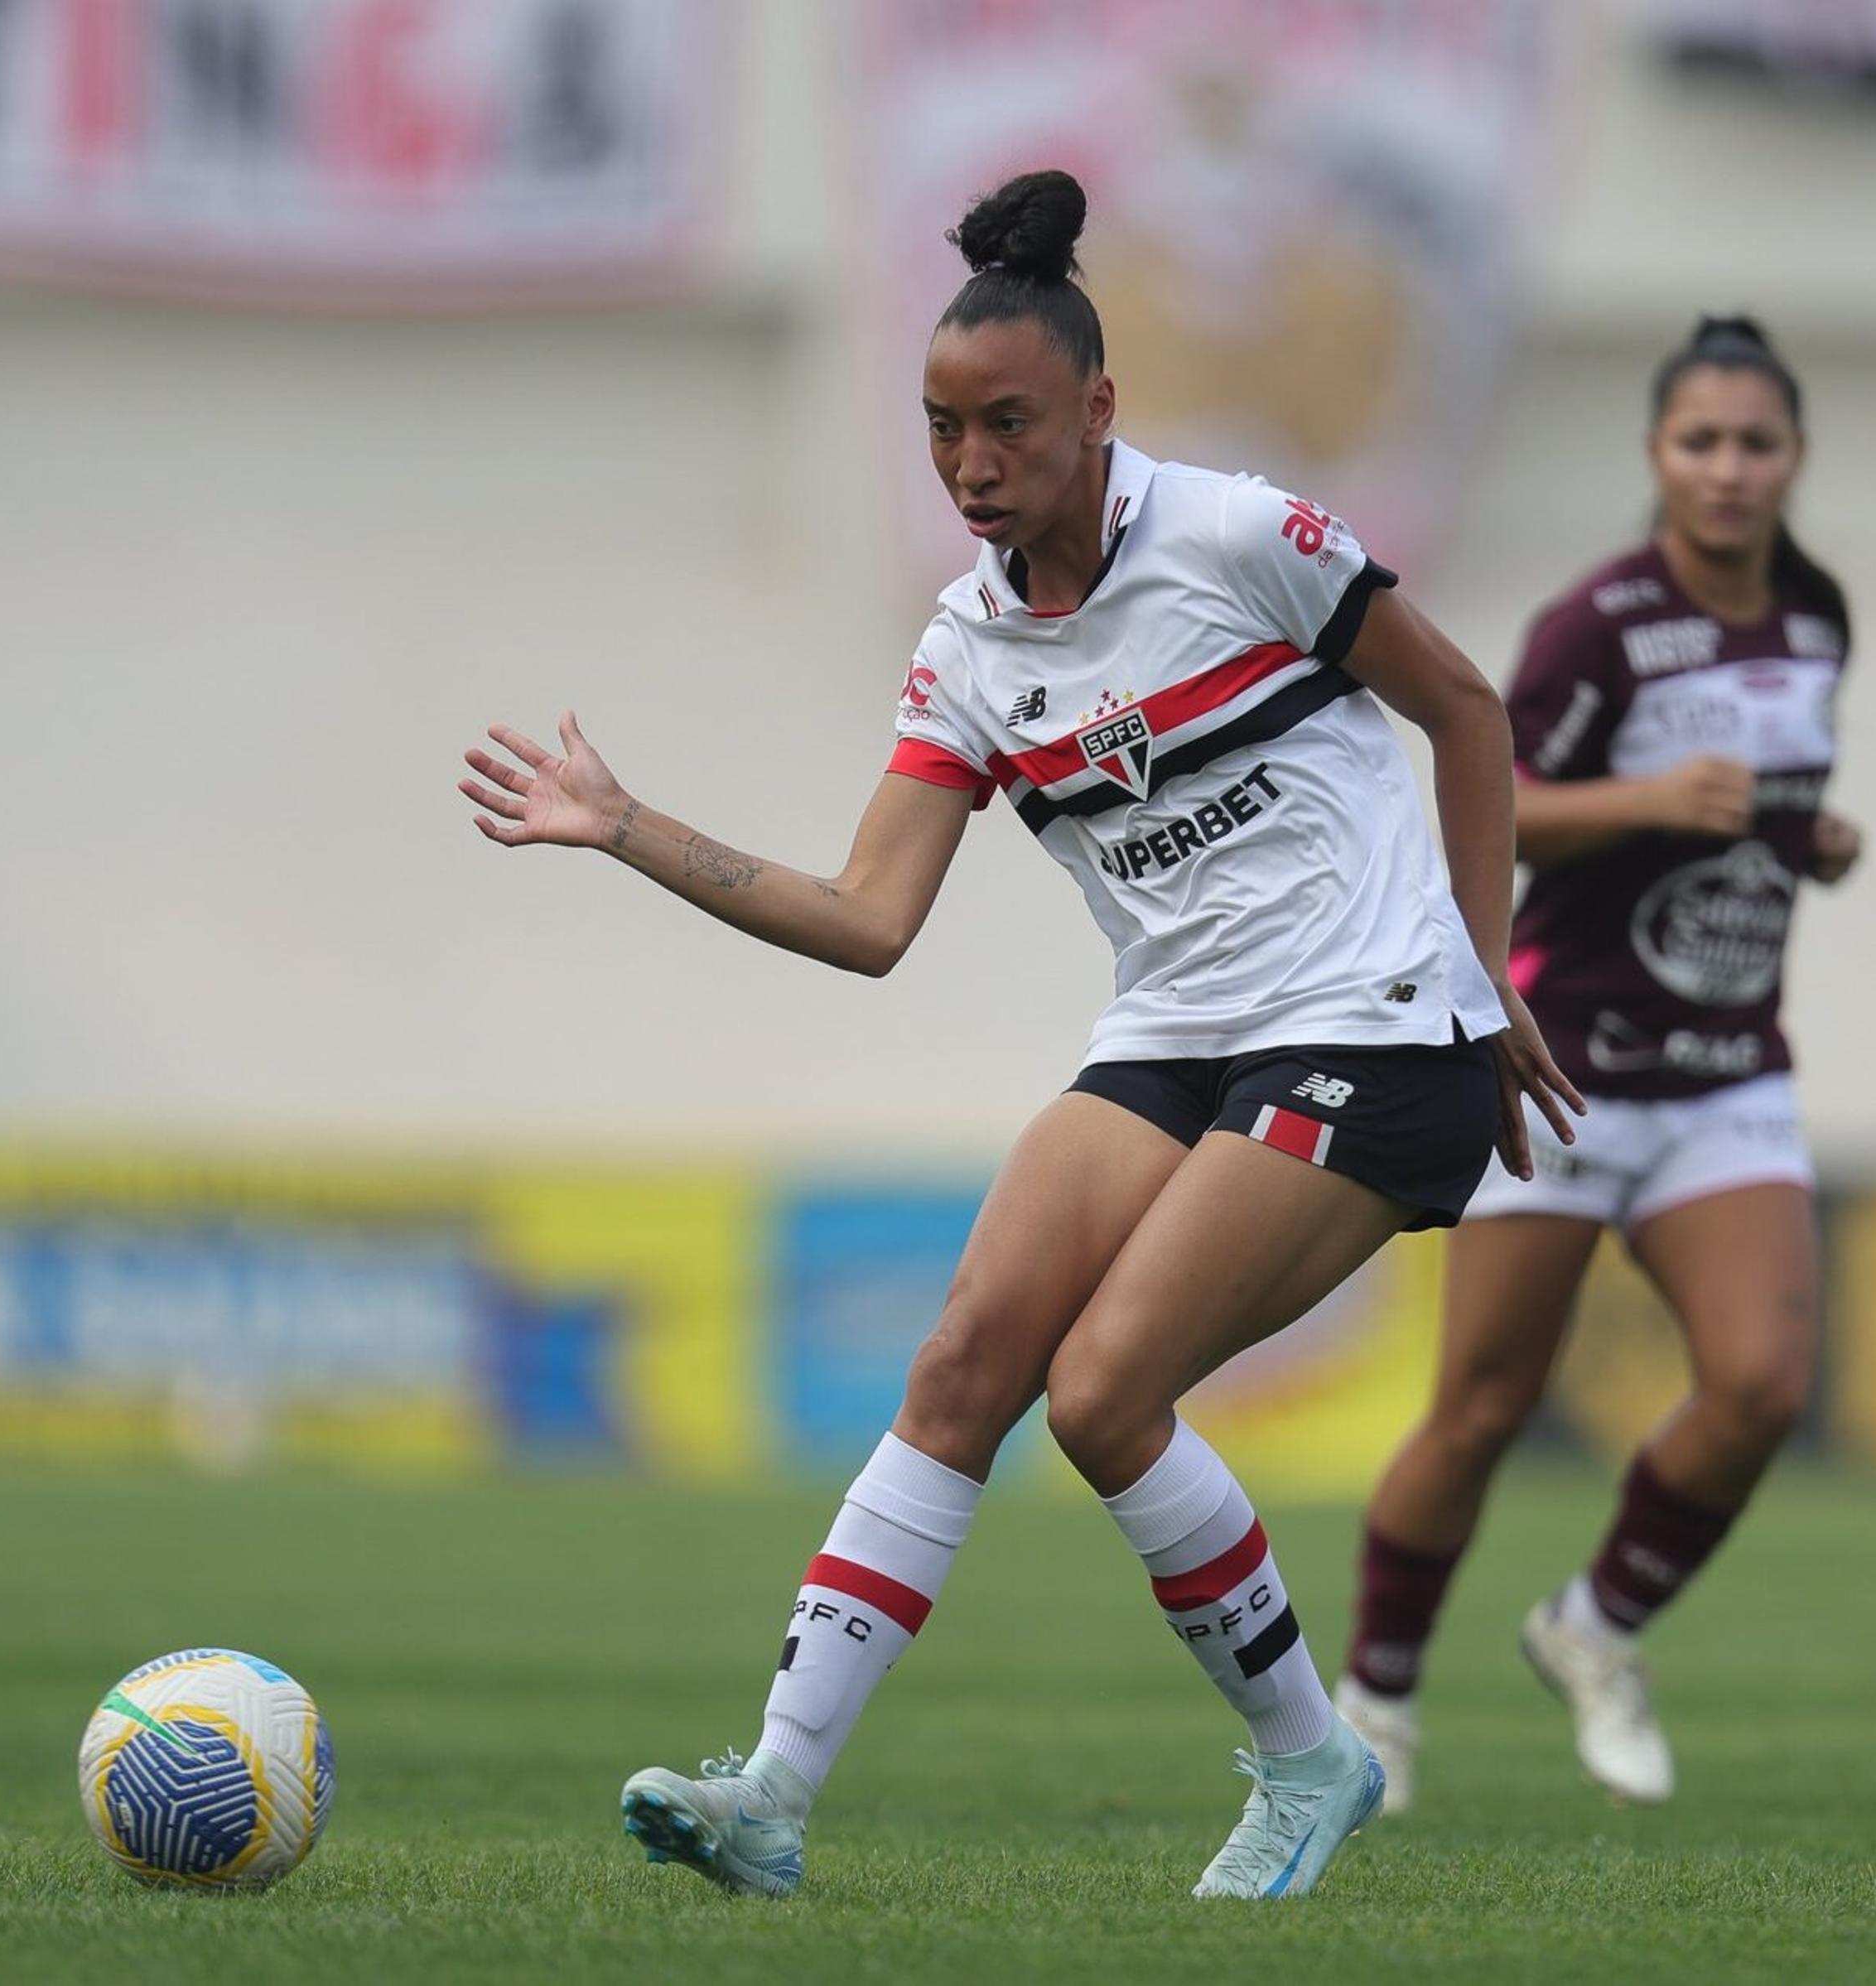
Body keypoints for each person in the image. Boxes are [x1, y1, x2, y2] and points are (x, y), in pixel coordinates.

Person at [458, 170, 1580, 1901]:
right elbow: (867, 918)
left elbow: (1465, 706)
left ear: (1099, 412)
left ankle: (1310, 1762)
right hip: (1184, 1031)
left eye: (1007, 423)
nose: (971, 463)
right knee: (970, 1355)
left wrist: (1487, 967)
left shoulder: (1241, 537)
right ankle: (768, 1793)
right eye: (938, 429)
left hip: (1374, 1017)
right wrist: (628, 826)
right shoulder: (970, 647)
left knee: (1106, 1388)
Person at [1333, 316, 1862, 1813]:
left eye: (1757, 442)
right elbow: (1488, 804)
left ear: (1794, 459)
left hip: (1727, 1070)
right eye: (1701, 440)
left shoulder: (1817, 618)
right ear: (1657, 456)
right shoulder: (1598, 625)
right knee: (1483, 1407)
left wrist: (1803, 836)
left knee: (1761, 1384)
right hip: (1565, 1068)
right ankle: (1376, 1703)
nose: (1730, 469)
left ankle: (1596, 1625)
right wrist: (1645, 798)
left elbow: (1753, 805)